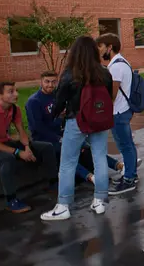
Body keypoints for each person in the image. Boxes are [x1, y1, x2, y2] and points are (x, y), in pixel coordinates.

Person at [40, 36, 115, 220]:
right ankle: (100, 201)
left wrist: (55, 114)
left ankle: (63, 205)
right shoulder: (104, 72)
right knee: (100, 158)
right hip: (99, 120)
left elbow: (59, 99)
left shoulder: (70, 73)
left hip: (76, 121)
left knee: (67, 162)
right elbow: (109, 95)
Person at [27, 71, 132, 186]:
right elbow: (38, 128)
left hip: (62, 133)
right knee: (68, 152)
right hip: (44, 139)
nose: (50, 85)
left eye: (53, 82)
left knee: (89, 146)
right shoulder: (34, 102)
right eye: (47, 82)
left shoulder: (57, 96)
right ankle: (91, 177)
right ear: (41, 82)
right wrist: (59, 138)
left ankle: (119, 166)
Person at [0, 81, 57, 213]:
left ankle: (53, 183)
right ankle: (11, 201)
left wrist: (27, 147)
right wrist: (18, 152)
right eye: (11, 92)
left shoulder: (14, 109)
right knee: (8, 159)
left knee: (46, 147)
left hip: (4, 142)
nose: (16, 94)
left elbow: (21, 132)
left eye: (16, 90)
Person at [97, 33, 140, 194]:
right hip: (122, 110)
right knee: (127, 145)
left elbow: (111, 95)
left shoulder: (115, 67)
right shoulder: (121, 62)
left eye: (101, 47)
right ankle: (131, 174)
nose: (100, 51)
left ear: (110, 47)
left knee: (125, 146)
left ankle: (129, 179)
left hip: (118, 112)